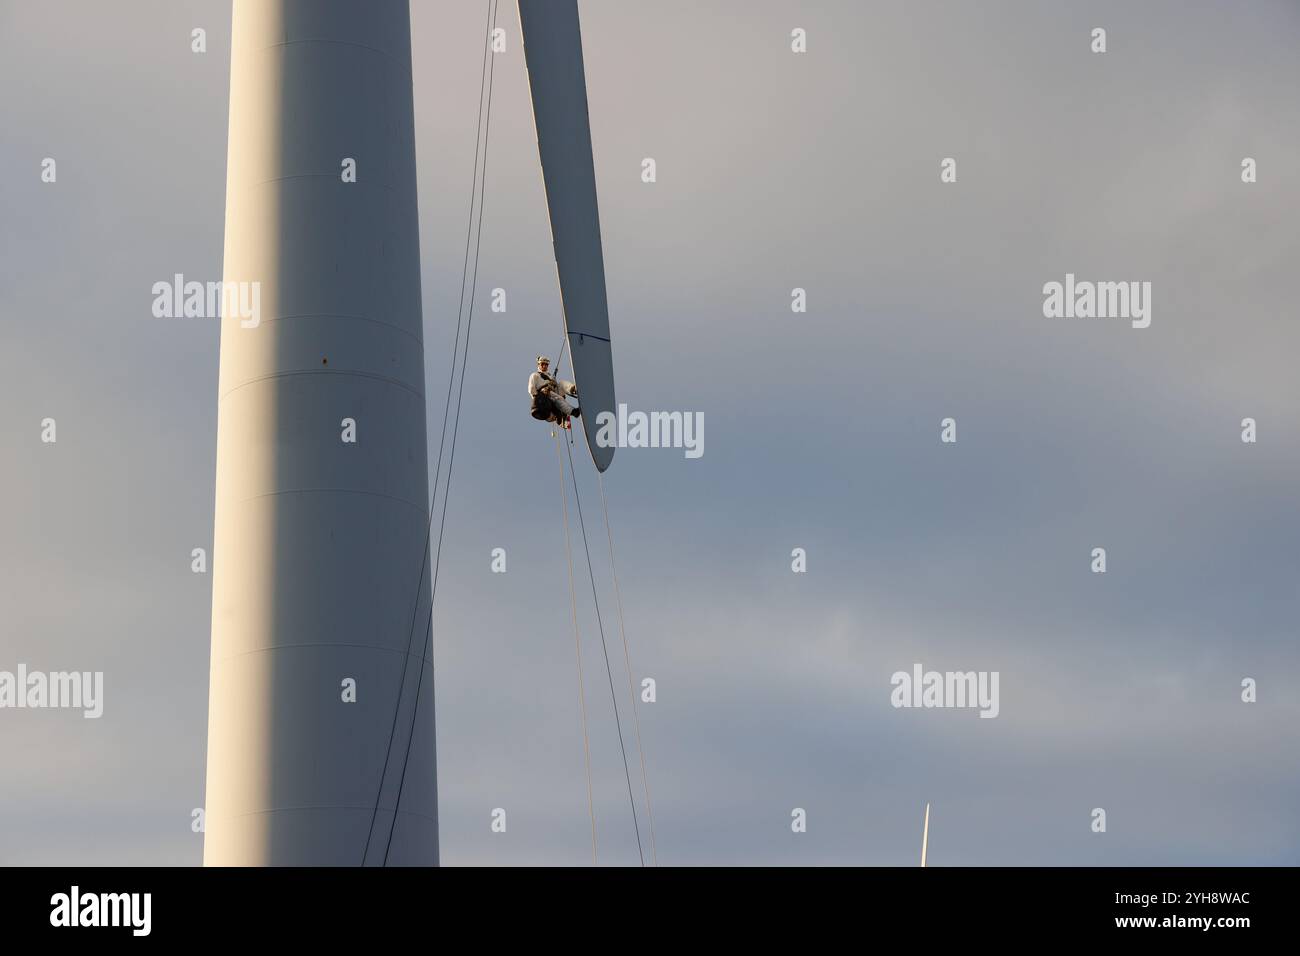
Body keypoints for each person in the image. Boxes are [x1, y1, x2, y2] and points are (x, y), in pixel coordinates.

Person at [528, 355, 580, 429]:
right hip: (544, 396)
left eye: (546, 364)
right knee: (559, 399)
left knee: (562, 383)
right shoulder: (535, 375)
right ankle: (573, 412)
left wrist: (553, 383)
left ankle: (574, 390)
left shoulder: (550, 376)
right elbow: (531, 389)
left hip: (552, 392)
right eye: (542, 364)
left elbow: (556, 386)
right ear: (539, 365)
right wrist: (539, 396)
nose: (544, 366)